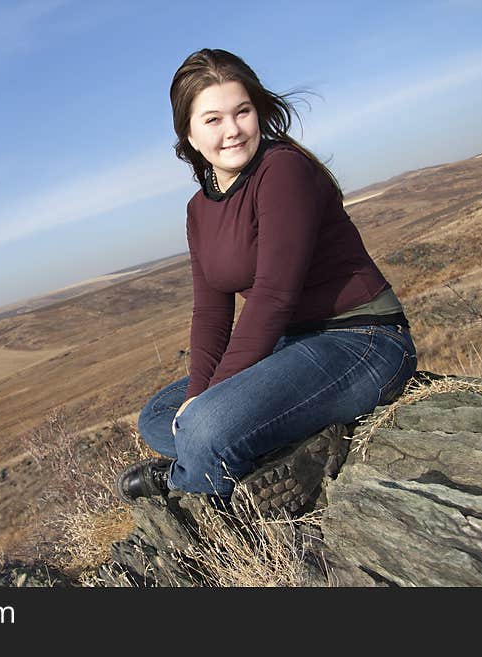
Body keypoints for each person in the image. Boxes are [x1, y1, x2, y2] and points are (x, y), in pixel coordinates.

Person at [116, 48, 418, 514]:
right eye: (212, 119)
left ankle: (181, 482)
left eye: (242, 111)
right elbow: (211, 313)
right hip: (293, 345)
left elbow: (274, 297)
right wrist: (199, 391)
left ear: (258, 112)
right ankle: (274, 447)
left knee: (202, 427)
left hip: (363, 340)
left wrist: (206, 406)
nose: (232, 129)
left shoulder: (282, 170)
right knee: (158, 416)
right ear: (190, 135)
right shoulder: (199, 210)